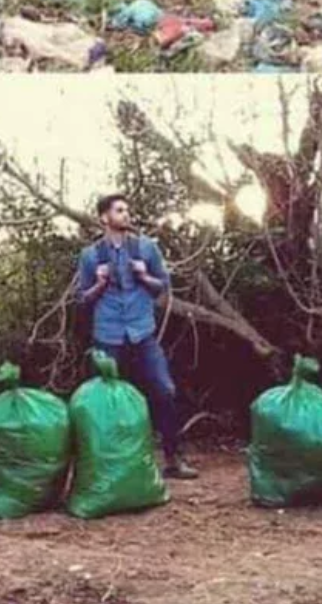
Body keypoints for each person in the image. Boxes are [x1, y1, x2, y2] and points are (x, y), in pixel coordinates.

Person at [74, 193, 199, 480]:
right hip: (108, 333)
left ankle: (173, 459)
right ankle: (108, 465)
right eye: (120, 210)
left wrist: (144, 276)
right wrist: (100, 283)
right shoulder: (91, 255)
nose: (126, 215)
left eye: (127, 210)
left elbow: (162, 287)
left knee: (165, 390)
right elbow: (82, 299)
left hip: (142, 331)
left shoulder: (146, 248)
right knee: (106, 402)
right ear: (104, 217)